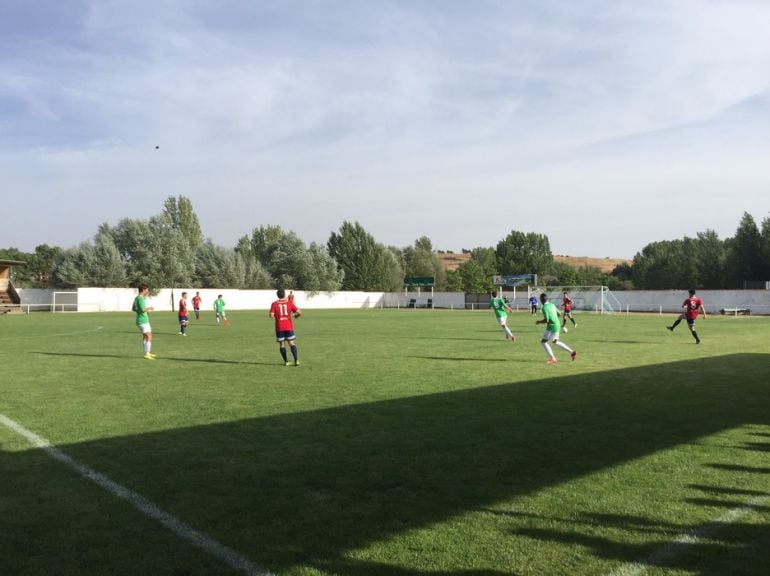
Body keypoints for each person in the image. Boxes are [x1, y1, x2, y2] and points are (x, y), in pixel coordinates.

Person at [536, 292, 576, 364]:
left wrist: (539, 322)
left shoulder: (544, 307)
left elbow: (547, 320)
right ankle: (572, 352)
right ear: (547, 299)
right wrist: (554, 318)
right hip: (557, 324)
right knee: (555, 342)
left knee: (543, 342)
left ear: (541, 300)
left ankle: (553, 359)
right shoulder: (552, 304)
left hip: (551, 326)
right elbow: (559, 314)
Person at [269, 288, 301, 366]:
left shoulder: (274, 304)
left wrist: (274, 315)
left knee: (282, 344)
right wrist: (296, 316)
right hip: (288, 326)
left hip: (279, 327)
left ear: (277, 295)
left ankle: (286, 362)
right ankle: (296, 360)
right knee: (291, 343)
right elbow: (299, 312)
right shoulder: (289, 303)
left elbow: (271, 316)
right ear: (285, 294)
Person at [132, 283, 156, 360]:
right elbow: (142, 309)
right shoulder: (141, 298)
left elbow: (133, 308)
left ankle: (147, 353)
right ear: (143, 290)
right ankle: (147, 354)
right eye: (147, 289)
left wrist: (142, 311)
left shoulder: (137, 298)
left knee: (146, 337)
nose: (148, 291)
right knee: (149, 336)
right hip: (143, 321)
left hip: (141, 320)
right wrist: (150, 308)